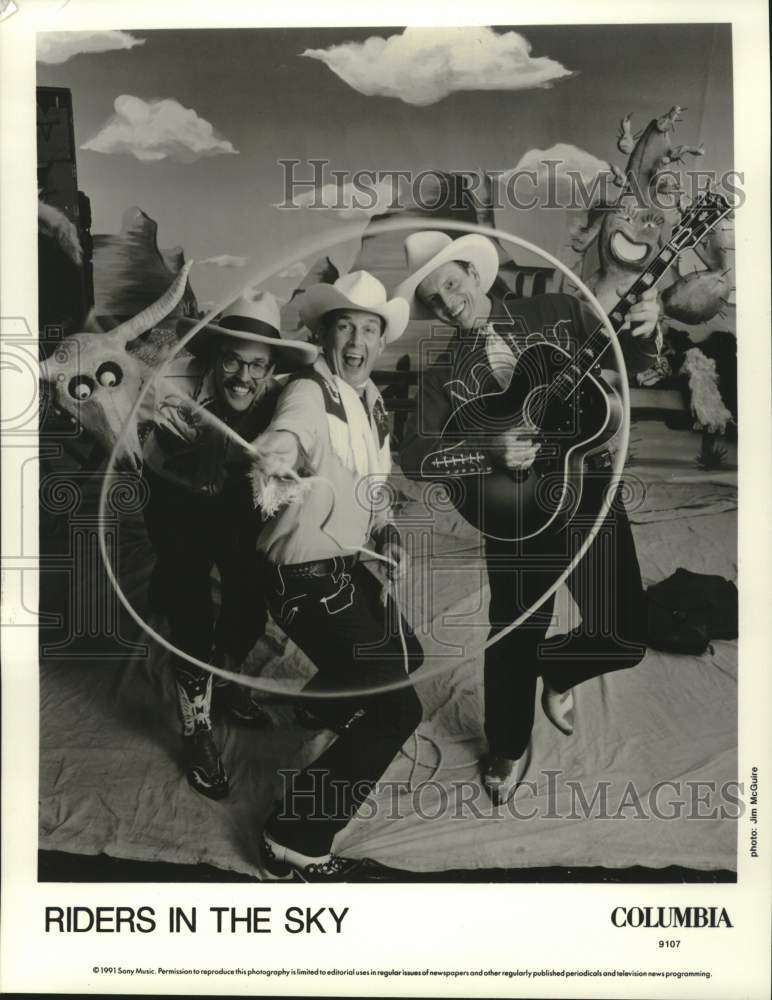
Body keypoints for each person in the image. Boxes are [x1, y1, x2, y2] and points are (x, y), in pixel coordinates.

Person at [396, 232, 657, 805]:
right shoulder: (441, 373)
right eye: (432, 296)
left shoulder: (557, 311)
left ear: (472, 270)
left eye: (450, 282)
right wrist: (489, 447)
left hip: (590, 489)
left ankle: (552, 672)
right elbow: (415, 455)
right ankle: (506, 744)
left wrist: (646, 326)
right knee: (516, 622)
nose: (446, 301)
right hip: (515, 511)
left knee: (623, 636)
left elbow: (635, 365)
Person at [250, 271, 423, 878]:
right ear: (325, 334)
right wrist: (275, 454)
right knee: (397, 713)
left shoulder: (372, 402)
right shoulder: (306, 390)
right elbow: (287, 435)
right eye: (344, 325)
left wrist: (387, 531)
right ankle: (291, 835)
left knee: (411, 655)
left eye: (368, 328)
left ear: (381, 340)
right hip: (302, 578)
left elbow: (374, 489)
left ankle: (320, 709)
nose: (356, 339)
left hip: (349, 566)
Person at [142, 290, 318, 800]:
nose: (244, 377)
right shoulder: (177, 382)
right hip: (172, 496)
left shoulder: (283, 398)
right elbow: (128, 396)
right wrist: (153, 414)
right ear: (215, 359)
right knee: (188, 606)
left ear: (271, 369)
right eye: (233, 362)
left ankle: (228, 675)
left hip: (234, 497)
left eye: (257, 366)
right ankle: (196, 729)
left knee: (248, 601)